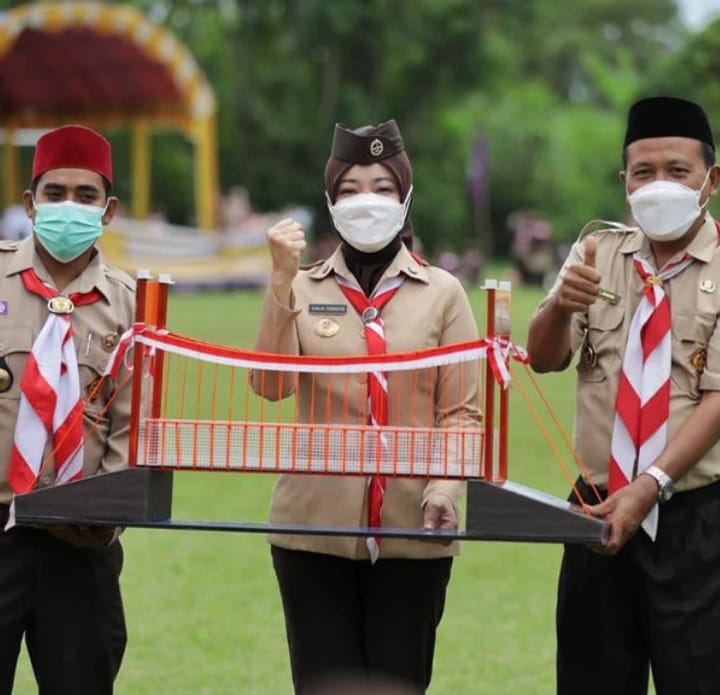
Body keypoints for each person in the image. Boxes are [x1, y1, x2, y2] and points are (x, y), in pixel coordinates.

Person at [252, 119, 481, 694]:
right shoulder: (303, 287)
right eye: (349, 190)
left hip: (414, 531)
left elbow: (462, 411)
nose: (366, 202)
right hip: (313, 531)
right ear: (330, 203)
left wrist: (443, 488)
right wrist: (281, 278)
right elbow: (270, 385)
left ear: (405, 198)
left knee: (400, 685)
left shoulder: (444, 292)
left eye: (382, 187)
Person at [527, 96, 720, 695]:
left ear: (710, 181)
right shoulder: (598, 253)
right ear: (624, 182)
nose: (658, 185)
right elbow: (543, 356)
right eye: (643, 172)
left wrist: (651, 485)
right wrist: (562, 302)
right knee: (592, 679)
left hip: (693, 518)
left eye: (677, 171)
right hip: (592, 510)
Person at [0, 125, 135, 695]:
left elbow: (135, 420)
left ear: (108, 211)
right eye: (55, 194)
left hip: (81, 545)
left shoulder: (131, 303)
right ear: (31, 204)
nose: (68, 207)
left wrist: (107, 513)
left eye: (85, 196)